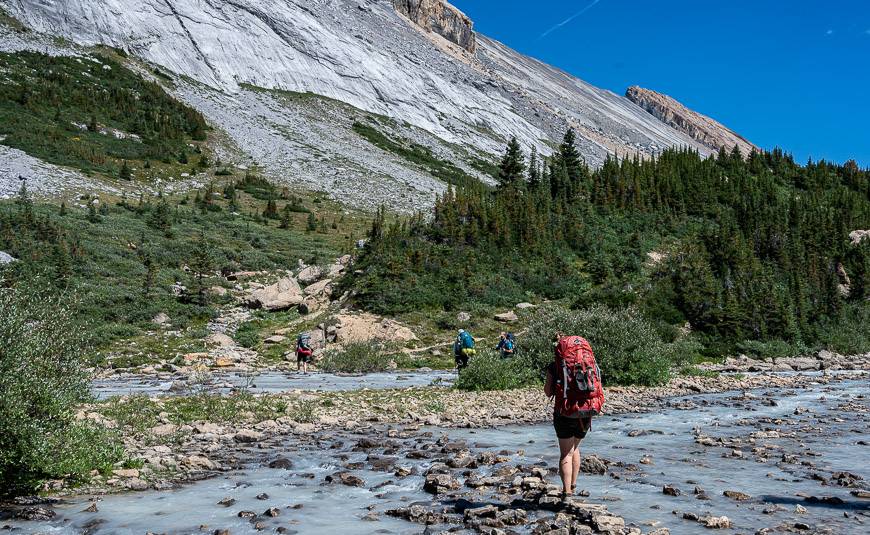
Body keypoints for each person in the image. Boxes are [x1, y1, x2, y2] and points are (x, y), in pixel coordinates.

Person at [544, 332, 605, 498]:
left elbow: (548, 392)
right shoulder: (588, 362)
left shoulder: (554, 366)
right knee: (575, 448)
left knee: (566, 453)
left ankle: (567, 492)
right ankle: (573, 485)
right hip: (586, 410)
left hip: (565, 410)